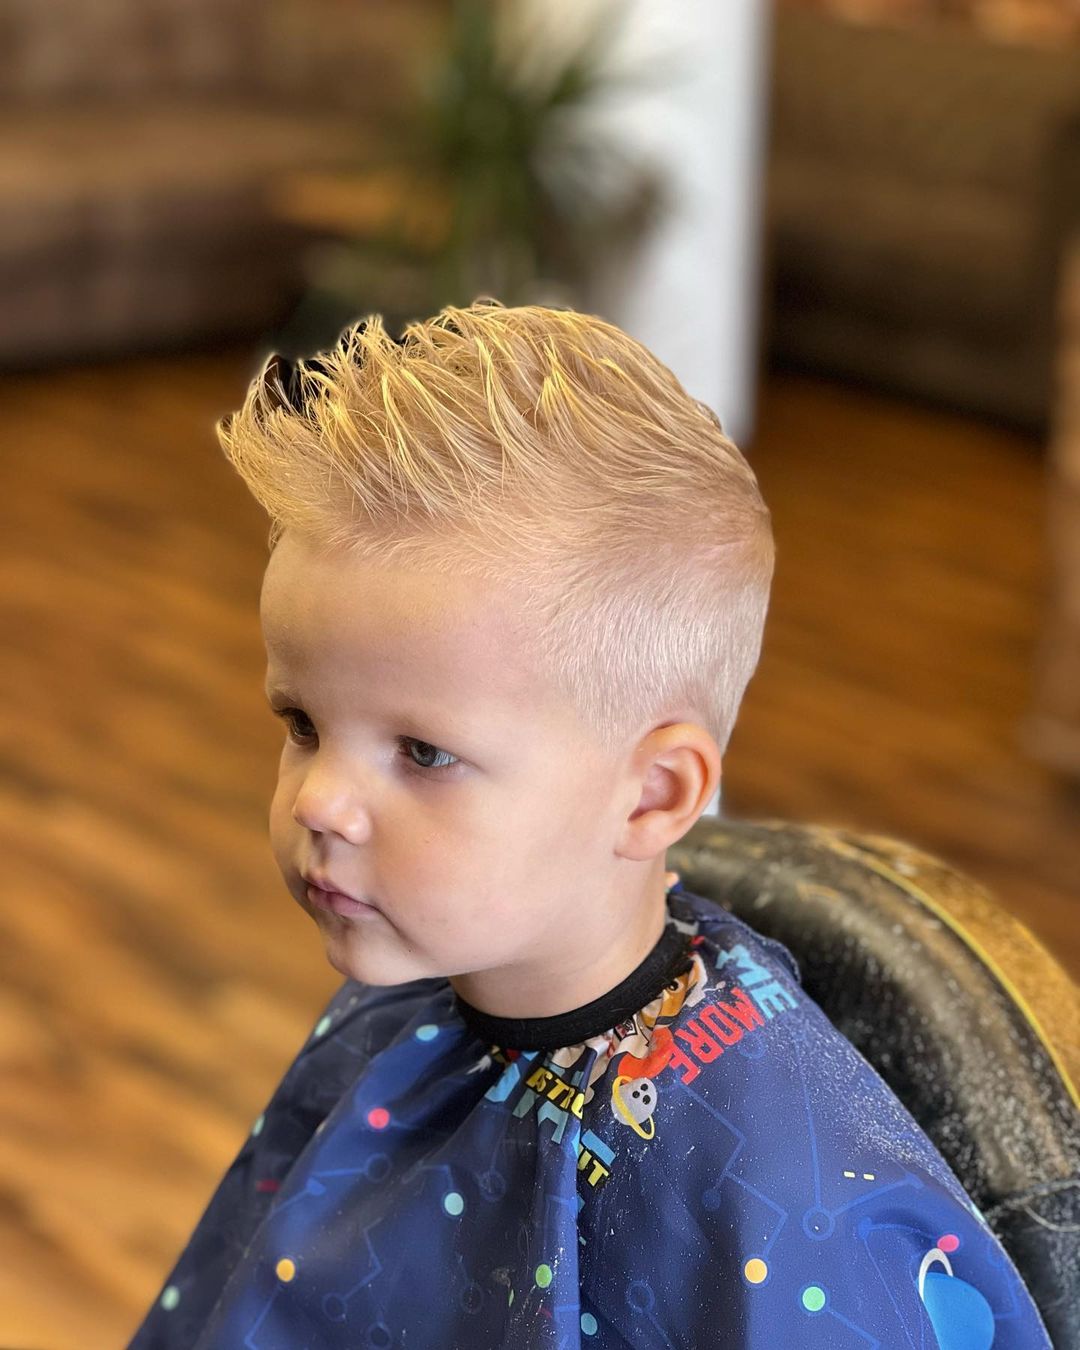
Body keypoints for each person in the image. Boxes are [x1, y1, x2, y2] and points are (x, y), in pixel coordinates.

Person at [126, 300, 1051, 1348]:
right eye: (301, 723)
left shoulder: (778, 1199)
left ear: (653, 794)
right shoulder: (402, 1016)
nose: (318, 802)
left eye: (423, 753)